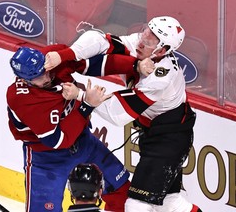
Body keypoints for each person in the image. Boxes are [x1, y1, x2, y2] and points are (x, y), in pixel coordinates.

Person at [44, 16, 202, 211]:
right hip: (160, 131)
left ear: (162, 50)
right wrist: (67, 55)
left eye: (151, 39)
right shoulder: (142, 44)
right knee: (170, 203)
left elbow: (118, 114)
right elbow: (99, 39)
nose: (143, 39)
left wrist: (82, 95)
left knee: (136, 204)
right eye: (146, 31)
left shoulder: (161, 78)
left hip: (169, 139)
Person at [6, 45, 147, 212]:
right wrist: (86, 105)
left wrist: (134, 65)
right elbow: (57, 141)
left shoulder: (52, 59)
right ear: (26, 80)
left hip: (84, 141)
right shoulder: (23, 99)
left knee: (121, 190)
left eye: (44, 69)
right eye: (39, 76)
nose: (47, 75)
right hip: (47, 157)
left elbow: (92, 62)